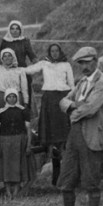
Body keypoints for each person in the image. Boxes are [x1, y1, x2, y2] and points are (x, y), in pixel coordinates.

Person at [56, 46, 103, 206]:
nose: (84, 66)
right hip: (75, 135)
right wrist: (74, 104)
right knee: (67, 179)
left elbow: (90, 109)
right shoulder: (81, 82)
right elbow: (62, 101)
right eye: (81, 63)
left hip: (93, 136)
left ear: (96, 61)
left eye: (88, 62)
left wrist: (73, 112)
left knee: (91, 182)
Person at [24, 43, 75, 185]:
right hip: (49, 101)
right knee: (53, 142)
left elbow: (72, 85)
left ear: (60, 52)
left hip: (63, 100)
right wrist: (14, 68)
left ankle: (68, 178)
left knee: (64, 139)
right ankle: (56, 178)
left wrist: (70, 99)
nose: (54, 53)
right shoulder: (44, 64)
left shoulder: (66, 65)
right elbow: (29, 70)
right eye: (52, 51)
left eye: (56, 51)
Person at [0, 90, 33, 200]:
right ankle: (7, 191)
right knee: (6, 166)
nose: (12, 99)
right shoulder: (0, 112)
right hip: (4, 141)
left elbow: (28, 129)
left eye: (14, 96)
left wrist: (28, 144)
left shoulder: (23, 111)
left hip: (19, 140)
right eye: (9, 97)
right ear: (5, 98)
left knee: (18, 165)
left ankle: (15, 191)